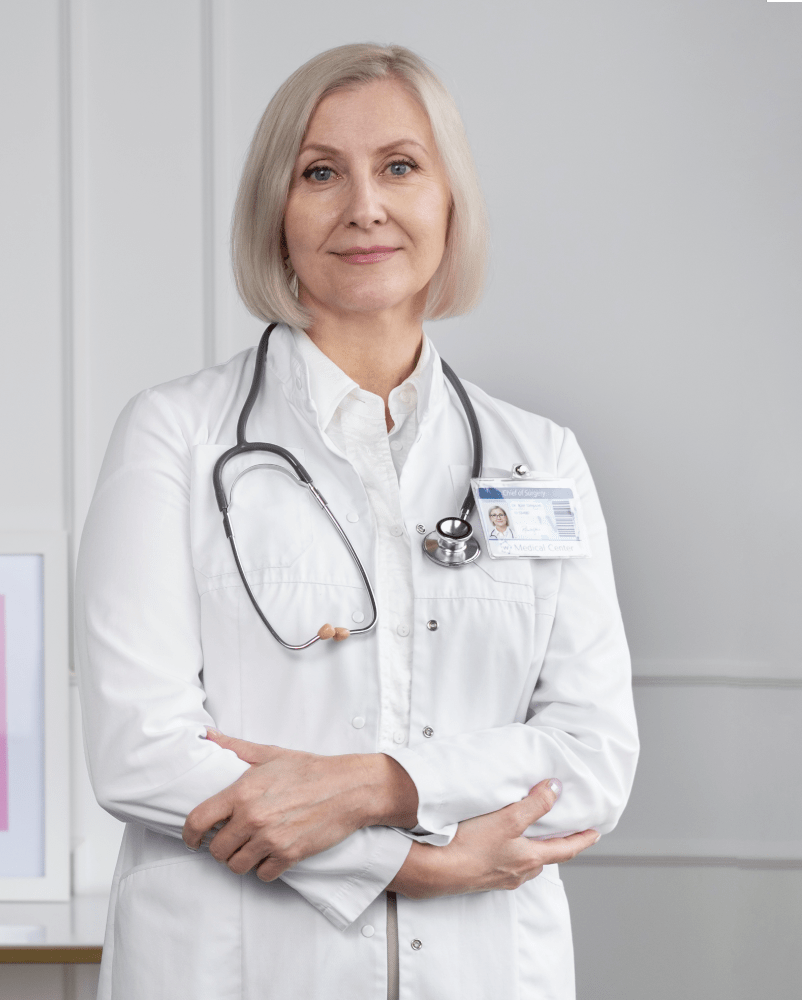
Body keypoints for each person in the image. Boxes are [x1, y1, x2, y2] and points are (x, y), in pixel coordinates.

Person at [76, 43, 638, 1000]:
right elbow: (141, 752)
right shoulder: (174, 436)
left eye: (401, 167)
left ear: (449, 202)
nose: (365, 206)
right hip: (237, 966)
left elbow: (592, 760)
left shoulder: (540, 458)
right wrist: (407, 863)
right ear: (276, 212)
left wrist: (382, 784)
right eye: (321, 173)